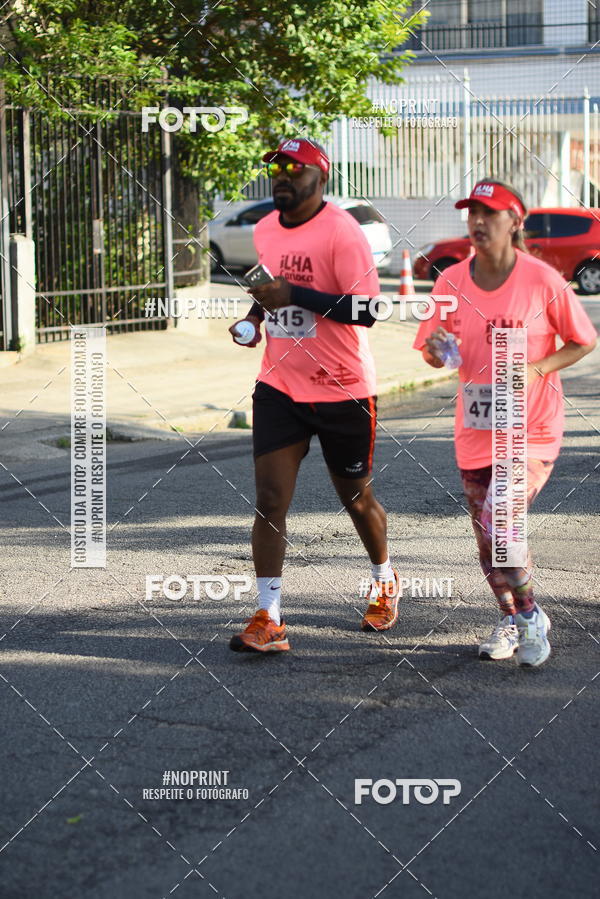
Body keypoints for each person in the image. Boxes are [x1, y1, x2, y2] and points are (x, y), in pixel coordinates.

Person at [414, 179, 597, 668]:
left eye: (489, 214)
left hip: (530, 430)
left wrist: (536, 369)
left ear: (515, 222)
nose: (477, 222)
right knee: (488, 541)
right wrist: (437, 350)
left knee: (502, 526)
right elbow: (438, 350)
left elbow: (583, 340)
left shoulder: (541, 280)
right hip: (475, 431)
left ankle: (531, 616)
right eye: (471, 213)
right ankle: (512, 617)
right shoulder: (450, 280)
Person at [227, 138, 400, 652]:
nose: (281, 176)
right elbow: (268, 287)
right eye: (276, 168)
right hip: (280, 383)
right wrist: (254, 318)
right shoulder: (263, 229)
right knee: (270, 500)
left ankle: (385, 580)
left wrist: (295, 295)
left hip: (343, 388)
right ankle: (268, 615)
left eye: (293, 168)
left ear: (320, 177)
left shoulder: (342, 234)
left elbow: (367, 310)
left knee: (355, 496)